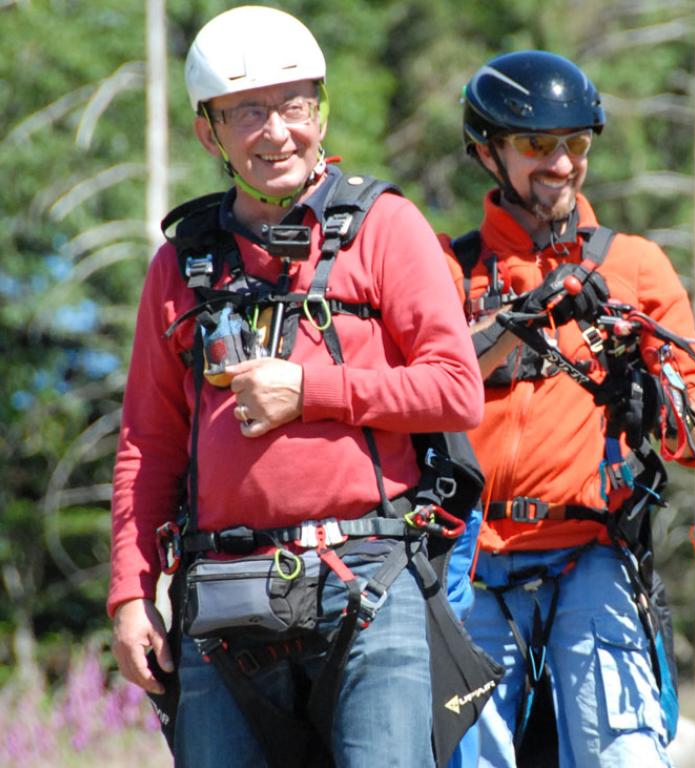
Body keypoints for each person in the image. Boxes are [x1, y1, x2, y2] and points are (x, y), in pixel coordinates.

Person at [108, 6, 489, 767]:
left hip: (369, 590)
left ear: (321, 110)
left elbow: (456, 390)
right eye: (248, 112)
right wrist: (128, 593)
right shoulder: (181, 267)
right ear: (208, 133)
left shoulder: (384, 226)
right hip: (221, 607)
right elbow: (146, 445)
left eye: (294, 106)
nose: (277, 131)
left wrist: (310, 390)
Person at [441, 50, 695, 767]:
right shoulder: (449, 269)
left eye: (576, 144)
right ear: (488, 151)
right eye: (538, 146)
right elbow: (423, 387)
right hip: (471, 566)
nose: (562, 163)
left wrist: (653, 386)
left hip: (591, 556)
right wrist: (518, 322)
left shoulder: (634, 265)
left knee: (626, 756)